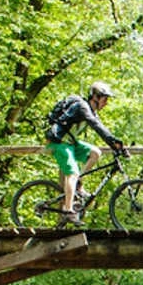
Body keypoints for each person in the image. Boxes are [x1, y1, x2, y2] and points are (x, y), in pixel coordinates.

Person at [43, 81, 126, 225]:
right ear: (95, 97)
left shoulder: (91, 111)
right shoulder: (83, 107)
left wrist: (116, 145)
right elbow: (96, 125)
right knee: (72, 173)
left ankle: (78, 183)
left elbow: (102, 128)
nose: (106, 103)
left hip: (70, 142)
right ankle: (68, 210)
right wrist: (114, 141)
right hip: (59, 143)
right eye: (105, 99)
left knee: (95, 153)